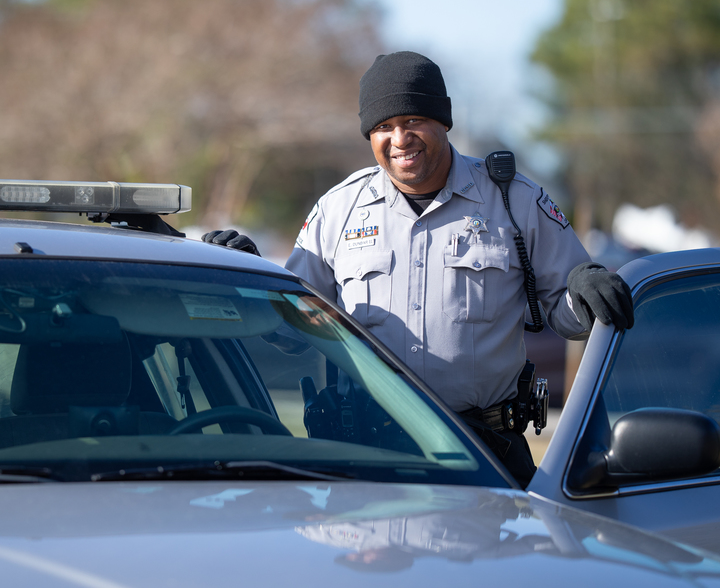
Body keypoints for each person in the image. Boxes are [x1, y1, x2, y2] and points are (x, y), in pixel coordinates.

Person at [203, 51, 633, 487]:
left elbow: (569, 315)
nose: (400, 138)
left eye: (413, 121)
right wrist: (249, 275)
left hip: (485, 453)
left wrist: (584, 287)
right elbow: (291, 332)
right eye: (383, 127)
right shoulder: (338, 209)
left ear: (442, 121)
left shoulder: (514, 199)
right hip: (365, 457)